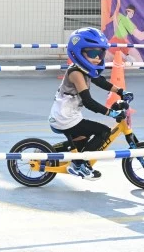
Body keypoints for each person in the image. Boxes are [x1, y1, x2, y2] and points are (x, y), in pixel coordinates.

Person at [49, 27, 132, 179]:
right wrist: (111, 113)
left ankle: (63, 155)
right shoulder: (75, 73)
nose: (97, 58)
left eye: (100, 54)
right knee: (103, 131)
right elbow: (88, 102)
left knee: (83, 138)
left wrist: (120, 91)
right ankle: (80, 165)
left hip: (70, 115)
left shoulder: (84, 69)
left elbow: (100, 81)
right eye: (93, 53)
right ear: (78, 52)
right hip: (65, 118)